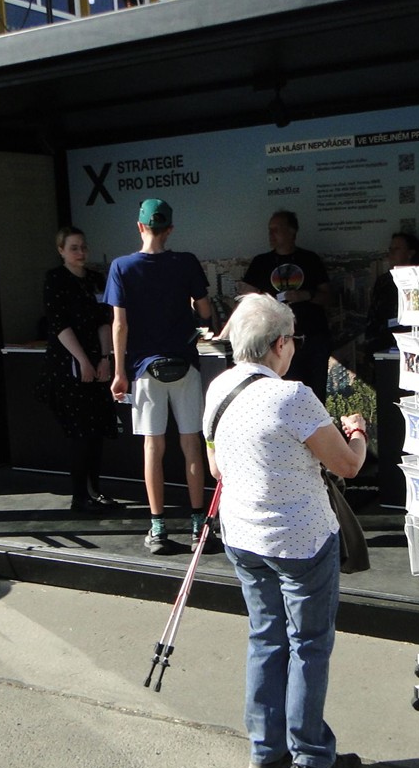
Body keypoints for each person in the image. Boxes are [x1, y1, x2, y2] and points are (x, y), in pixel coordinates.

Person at [202, 292, 367, 768]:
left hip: (243, 536)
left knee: (265, 636)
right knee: (309, 644)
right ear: (279, 344)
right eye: (292, 339)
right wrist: (358, 431)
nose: (294, 347)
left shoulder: (219, 388)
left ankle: (265, 748)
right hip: (300, 541)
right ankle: (312, 757)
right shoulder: (292, 396)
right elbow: (348, 465)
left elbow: (216, 468)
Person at [106, 198, 216, 554]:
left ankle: (158, 529)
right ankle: (199, 527)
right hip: (184, 364)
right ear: (170, 229)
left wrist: (120, 372)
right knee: (191, 444)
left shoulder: (121, 267)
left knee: (153, 447)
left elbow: (119, 325)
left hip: (145, 369)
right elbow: (205, 311)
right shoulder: (186, 262)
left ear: (140, 227)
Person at [43, 227, 119, 511]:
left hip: (96, 361)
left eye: (83, 247)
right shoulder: (55, 279)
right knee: (80, 433)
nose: (80, 253)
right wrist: (82, 361)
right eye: (74, 248)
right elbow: (59, 324)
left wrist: (104, 357)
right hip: (68, 365)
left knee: (96, 431)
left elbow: (104, 321)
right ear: (61, 250)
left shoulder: (96, 280)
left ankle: (95, 490)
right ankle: (80, 495)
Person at [237, 211, 332, 404]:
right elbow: (246, 299)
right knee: (282, 398)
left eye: (276, 230)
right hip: (275, 342)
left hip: (311, 339)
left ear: (292, 232)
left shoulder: (310, 260)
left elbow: (328, 296)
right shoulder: (261, 263)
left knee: (315, 396)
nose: (271, 235)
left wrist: (306, 295)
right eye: (269, 230)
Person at [363, 231, 419, 357]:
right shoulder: (384, 281)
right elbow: (373, 316)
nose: (391, 253)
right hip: (384, 347)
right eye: (390, 249)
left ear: (410, 253)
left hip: (415, 344)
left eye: (397, 249)